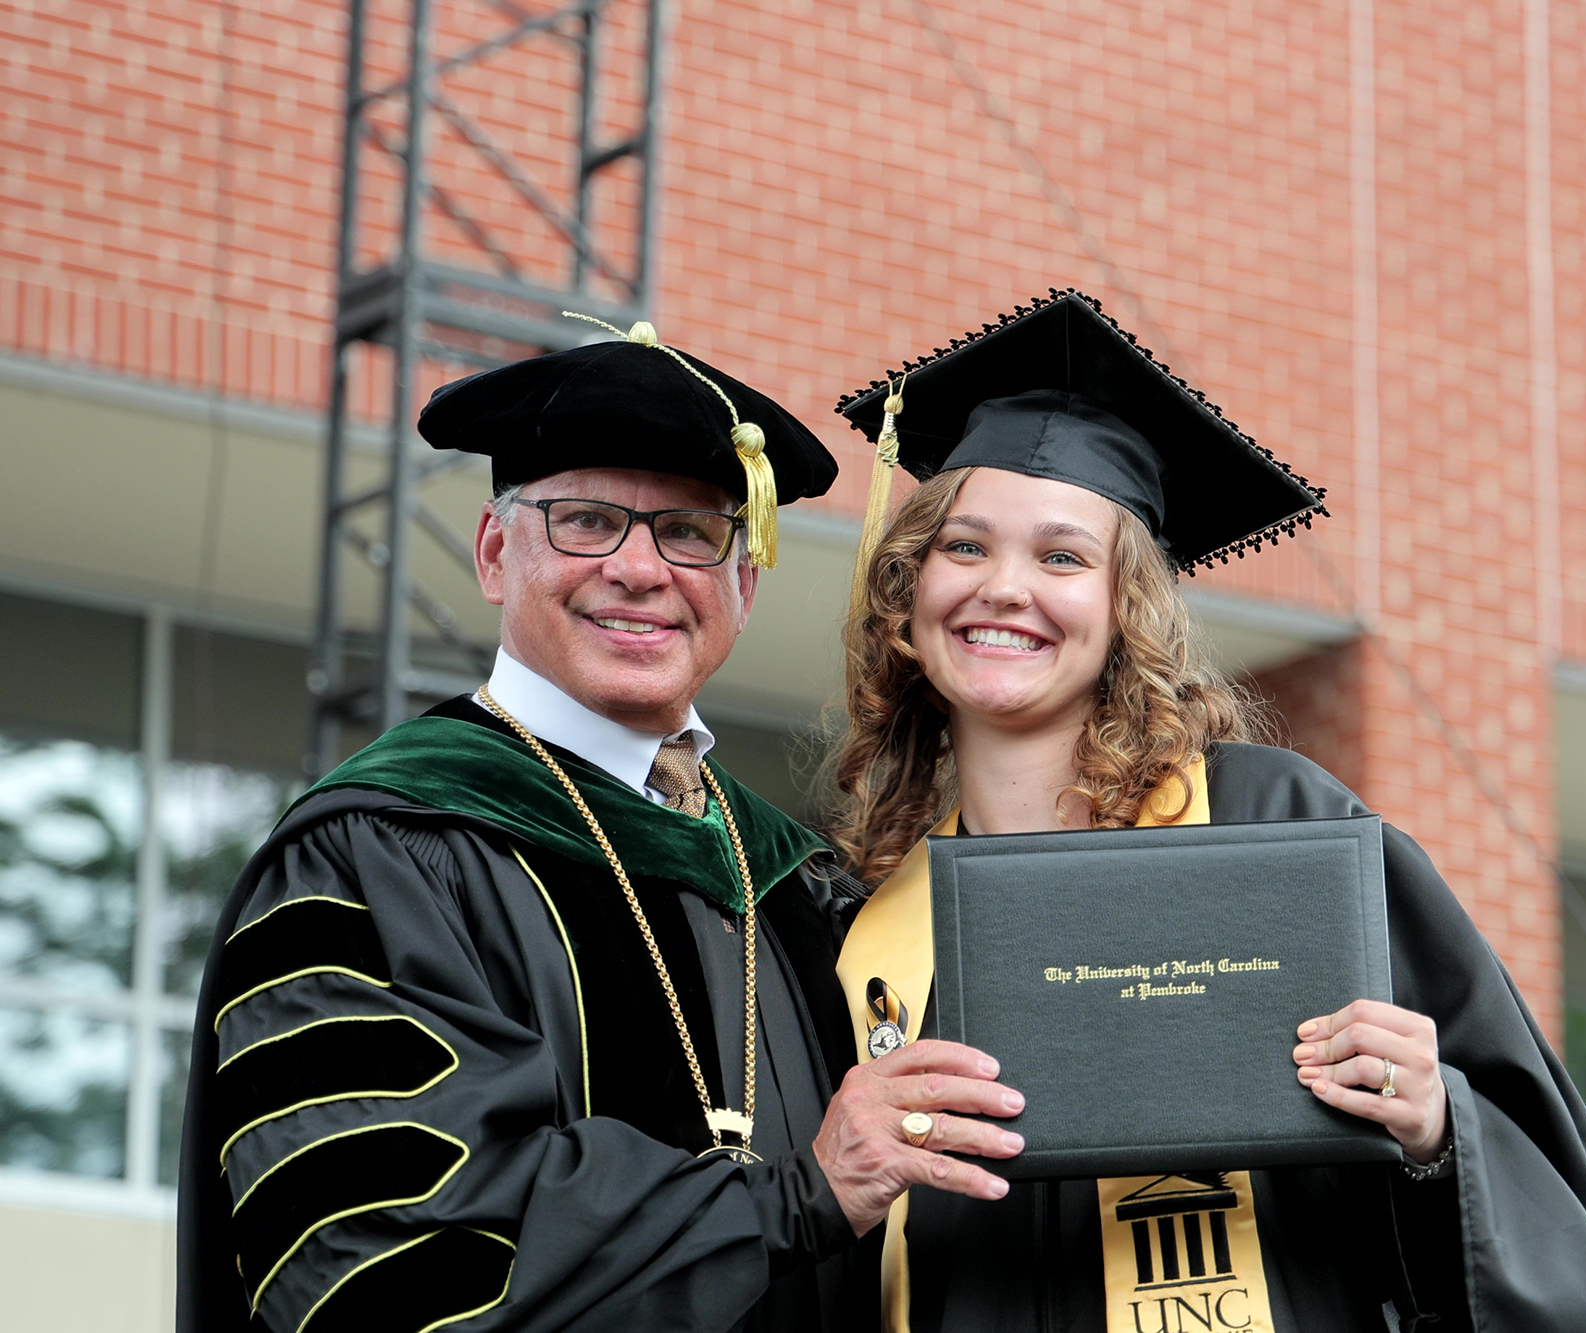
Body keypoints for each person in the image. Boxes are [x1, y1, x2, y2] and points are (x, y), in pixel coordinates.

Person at [825, 291, 1586, 1332]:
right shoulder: (871, 926)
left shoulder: (1274, 823)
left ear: (1126, 609)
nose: (1002, 588)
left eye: (1062, 557)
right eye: (962, 547)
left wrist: (1433, 1127)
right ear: (905, 588)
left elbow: (1554, 1190)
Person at [176, 320, 1024, 1333]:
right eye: (585, 521)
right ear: (495, 552)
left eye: (689, 532)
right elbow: (384, 1251)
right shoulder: (381, 852)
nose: (638, 569)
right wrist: (797, 1198)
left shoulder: (806, 894)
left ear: (742, 583)